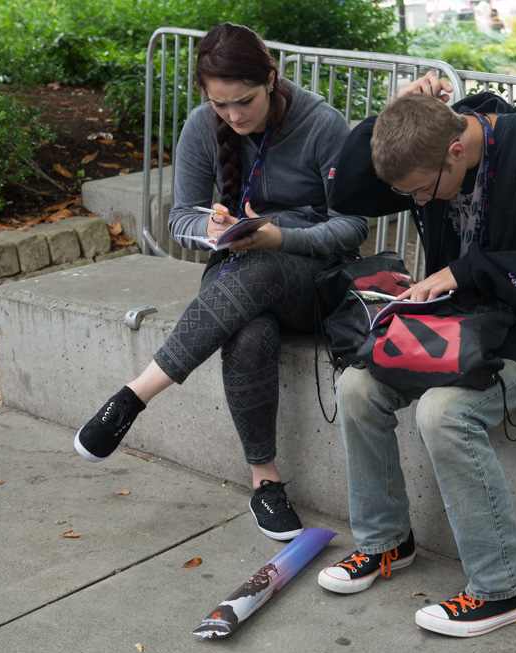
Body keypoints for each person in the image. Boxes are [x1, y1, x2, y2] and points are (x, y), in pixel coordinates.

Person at [316, 72, 516, 637]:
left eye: (423, 191)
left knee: (442, 412)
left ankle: (505, 588)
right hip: (461, 319)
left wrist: (464, 270)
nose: (418, 202)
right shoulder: (429, 149)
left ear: (457, 151)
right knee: (356, 387)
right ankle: (385, 545)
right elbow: (345, 192)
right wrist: (394, 110)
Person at [74, 23, 367, 542]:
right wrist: (209, 229)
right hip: (237, 270)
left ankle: (133, 397)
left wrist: (280, 237)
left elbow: (351, 228)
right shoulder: (199, 126)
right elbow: (180, 217)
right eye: (220, 106)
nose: (233, 116)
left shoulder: (323, 125)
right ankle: (265, 483)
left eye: (244, 102)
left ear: (271, 78)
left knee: (260, 269)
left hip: (311, 278)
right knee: (249, 329)